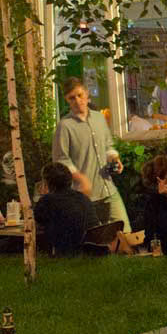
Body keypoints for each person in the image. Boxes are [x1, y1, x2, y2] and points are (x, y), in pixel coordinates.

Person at [54, 77, 131, 232]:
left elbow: (108, 146)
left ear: (87, 93)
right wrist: (81, 178)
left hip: (108, 189)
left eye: (79, 95)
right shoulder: (64, 126)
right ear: (67, 100)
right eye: (72, 98)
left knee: (126, 234)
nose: (77, 101)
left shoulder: (99, 117)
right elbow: (61, 160)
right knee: (96, 239)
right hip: (84, 196)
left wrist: (115, 159)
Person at [33, 162, 97, 255]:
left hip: (68, 251)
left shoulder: (47, 200)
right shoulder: (83, 197)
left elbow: (37, 223)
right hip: (91, 249)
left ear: (47, 182)